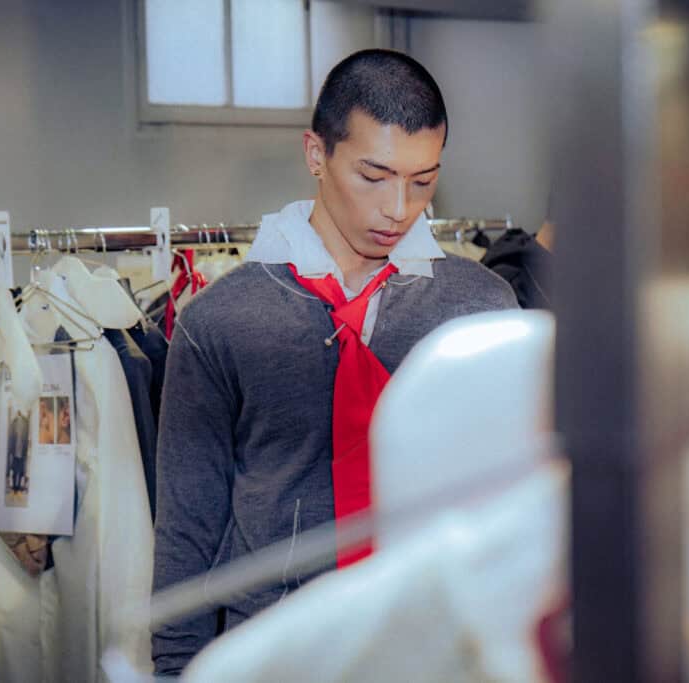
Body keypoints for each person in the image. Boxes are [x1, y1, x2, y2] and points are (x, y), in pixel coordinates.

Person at [152, 49, 519, 675]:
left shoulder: (480, 309)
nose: (399, 209)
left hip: (439, 651)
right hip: (278, 654)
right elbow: (188, 535)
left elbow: (509, 508)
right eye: (374, 176)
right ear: (316, 155)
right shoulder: (221, 323)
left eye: (422, 180)